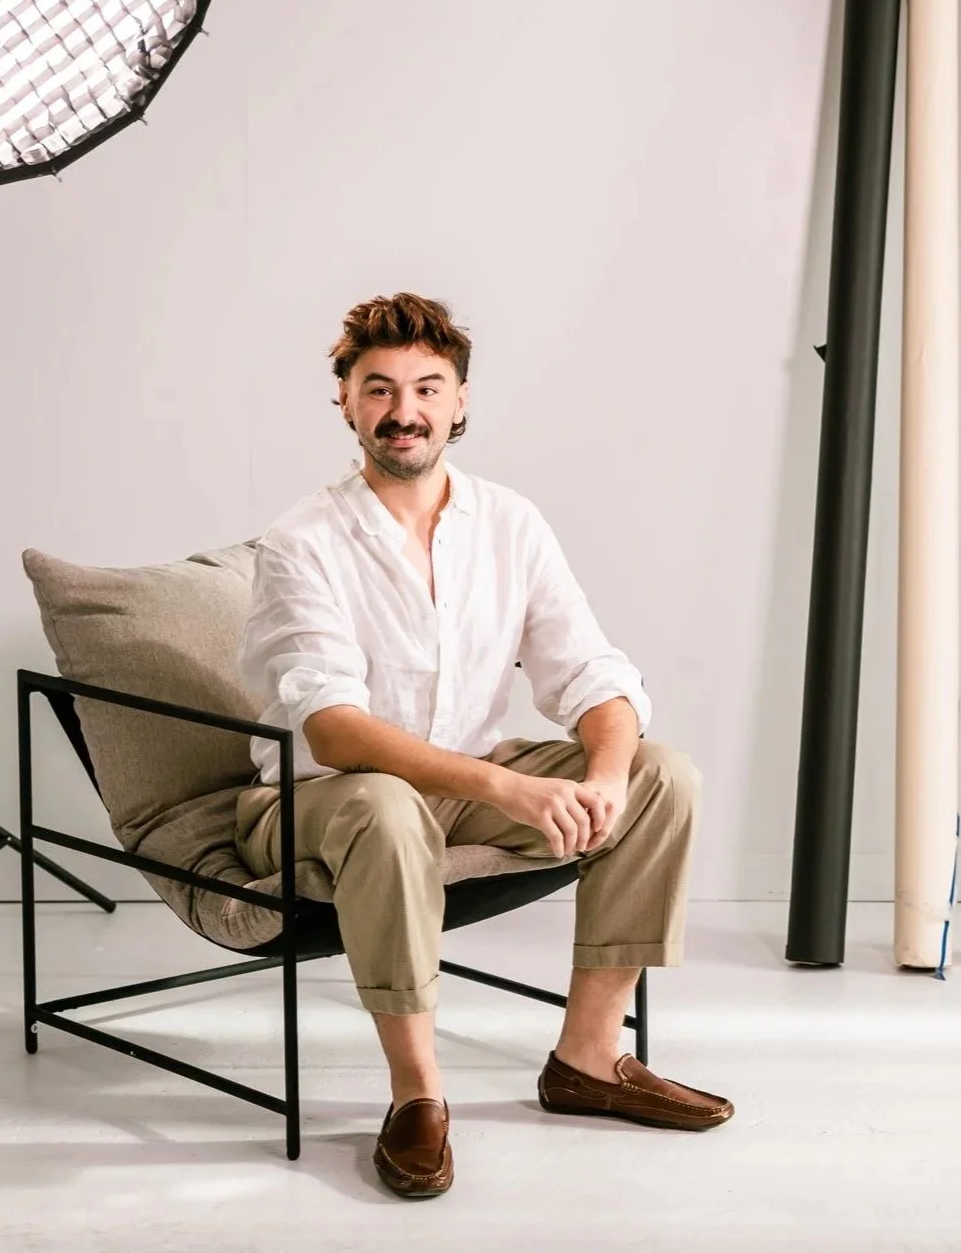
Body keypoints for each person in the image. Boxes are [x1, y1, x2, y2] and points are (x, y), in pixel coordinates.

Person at [235, 292, 732, 1198]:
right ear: (343, 402)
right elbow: (335, 729)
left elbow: (590, 670)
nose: (403, 410)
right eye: (377, 388)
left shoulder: (509, 522)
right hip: (312, 799)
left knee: (665, 773)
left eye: (427, 387)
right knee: (387, 804)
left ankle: (587, 1057)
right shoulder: (301, 541)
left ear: (460, 400)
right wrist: (506, 792)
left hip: (458, 779)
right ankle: (416, 1095)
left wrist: (611, 775)